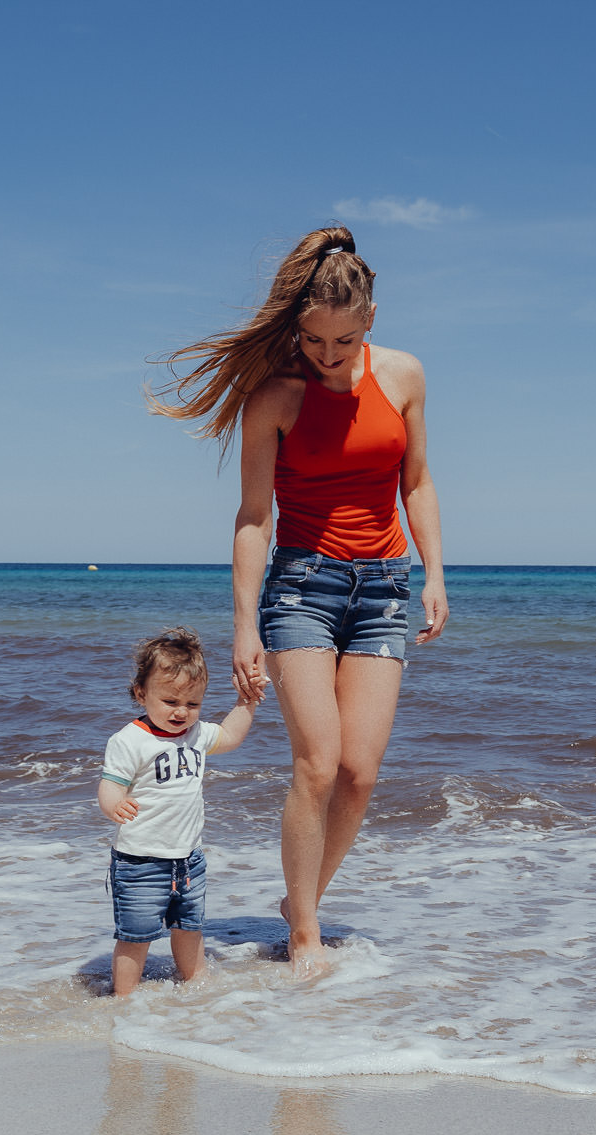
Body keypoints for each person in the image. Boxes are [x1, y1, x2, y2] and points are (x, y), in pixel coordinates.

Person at [150, 226, 448, 972]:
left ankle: (300, 898)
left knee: (360, 773)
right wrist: (245, 624)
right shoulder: (275, 396)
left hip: (383, 588)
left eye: (342, 342)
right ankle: (305, 934)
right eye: (314, 341)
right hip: (300, 589)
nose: (327, 356)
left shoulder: (405, 376)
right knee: (317, 763)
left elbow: (415, 481)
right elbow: (255, 518)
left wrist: (436, 572)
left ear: (370, 320)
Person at [98, 628, 258, 996]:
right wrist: (114, 805)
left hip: (188, 859)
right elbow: (110, 784)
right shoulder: (130, 740)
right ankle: (124, 996)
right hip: (140, 861)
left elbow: (230, 737)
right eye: (170, 701)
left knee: (190, 927)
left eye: (193, 704)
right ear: (141, 693)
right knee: (135, 936)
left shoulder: (197, 734)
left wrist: (247, 702)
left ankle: (195, 981)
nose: (181, 712)